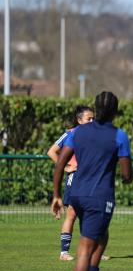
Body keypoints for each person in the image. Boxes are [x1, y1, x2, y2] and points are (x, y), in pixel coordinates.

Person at [52, 91, 133, 271]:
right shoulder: (119, 136)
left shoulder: (78, 132)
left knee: (102, 238)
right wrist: (127, 174)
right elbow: (127, 175)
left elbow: (60, 163)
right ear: (116, 112)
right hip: (99, 197)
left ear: (96, 109)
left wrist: (56, 195)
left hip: (76, 193)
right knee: (85, 251)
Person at [47, 105, 96, 261]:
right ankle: (64, 252)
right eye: (89, 119)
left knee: (90, 215)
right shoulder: (71, 133)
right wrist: (67, 167)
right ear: (79, 120)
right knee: (72, 214)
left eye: (93, 118)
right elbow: (51, 151)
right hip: (75, 178)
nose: (92, 121)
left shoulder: (96, 135)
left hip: (91, 179)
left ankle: (93, 252)